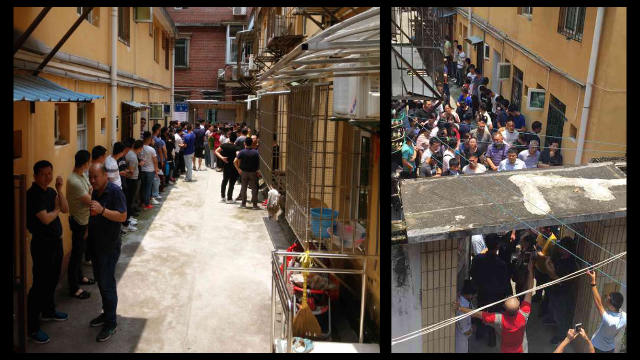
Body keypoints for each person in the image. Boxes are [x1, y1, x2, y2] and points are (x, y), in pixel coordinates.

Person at [26, 161, 69, 344]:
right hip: (42, 245)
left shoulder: (51, 192)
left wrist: (59, 189)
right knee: (40, 284)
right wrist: (57, 209)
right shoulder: (33, 194)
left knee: (53, 279)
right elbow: (45, 218)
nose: (48, 177)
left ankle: (49, 311)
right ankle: (32, 328)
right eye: (44, 174)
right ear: (35, 175)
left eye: (50, 173)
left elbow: (65, 209)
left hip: (55, 243)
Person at [461, 254, 534, 353]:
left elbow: (476, 313)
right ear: (518, 308)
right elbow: (529, 291)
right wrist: (530, 270)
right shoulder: (524, 314)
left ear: (503, 307)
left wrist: (460, 308)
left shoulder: (499, 319)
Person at [87, 163, 127, 342]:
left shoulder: (114, 192)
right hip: (97, 245)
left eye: (95, 176)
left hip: (109, 247)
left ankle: (111, 324)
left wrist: (102, 211)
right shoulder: (96, 191)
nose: (92, 180)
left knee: (107, 284)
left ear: (105, 175)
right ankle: (106, 314)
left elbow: (122, 216)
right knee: (102, 284)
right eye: (90, 176)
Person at [470, 234, 513, 348]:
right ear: (497, 246)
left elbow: (472, 274)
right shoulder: (501, 264)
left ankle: (480, 333)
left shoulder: (478, 259)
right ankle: (492, 338)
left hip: (483, 292)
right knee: (494, 315)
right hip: (496, 294)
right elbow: (505, 281)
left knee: (481, 311)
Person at [66, 151, 96, 300]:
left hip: (84, 219)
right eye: (89, 162)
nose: (90, 164)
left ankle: (80, 277)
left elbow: (91, 190)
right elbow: (89, 199)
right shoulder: (74, 181)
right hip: (78, 221)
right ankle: (74, 288)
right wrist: (90, 193)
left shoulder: (82, 175)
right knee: (76, 255)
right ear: (85, 163)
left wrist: (90, 192)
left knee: (81, 251)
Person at [586, 270, 626, 353]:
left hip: (598, 347)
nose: (605, 299)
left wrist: (593, 282)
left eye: (607, 300)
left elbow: (598, 304)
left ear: (612, 306)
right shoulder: (624, 316)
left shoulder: (608, 320)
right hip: (610, 348)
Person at [547, 237, 578, 345]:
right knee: (554, 310)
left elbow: (559, 280)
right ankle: (552, 321)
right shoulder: (560, 257)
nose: (559, 248)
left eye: (561, 247)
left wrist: (549, 269)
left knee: (561, 316)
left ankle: (561, 336)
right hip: (556, 291)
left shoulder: (570, 264)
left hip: (563, 293)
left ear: (567, 249)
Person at [234, 137, 260, 209]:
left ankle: (243, 204)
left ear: (244, 143)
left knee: (244, 188)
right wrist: (258, 171)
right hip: (253, 173)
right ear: (252, 143)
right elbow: (258, 163)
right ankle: (254, 205)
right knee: (254, 189)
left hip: (244, 173)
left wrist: (238, 169)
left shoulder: (242, 152)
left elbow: (234, 161)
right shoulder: (256, 152)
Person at [124, 140, 143, 229]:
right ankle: (128, 218)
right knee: (130, 199)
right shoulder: (132, 157)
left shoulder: (131, 154)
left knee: (130, 199)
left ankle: (129, 217)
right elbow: (131, 171)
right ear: (139, 148)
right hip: (131, 180)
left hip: (131, 179)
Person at [216, 132, 240, 202]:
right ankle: (229, 198)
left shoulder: (224, 145)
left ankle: (223, 197)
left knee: (224, 181)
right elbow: (238, 155)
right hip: (234, 167)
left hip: (226, 165)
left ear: (229, 138)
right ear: (235, 139)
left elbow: (216, 151)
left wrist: (222, 158)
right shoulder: (236, 147)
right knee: (231, 183)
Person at [455, 280, 477, 353]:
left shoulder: (463, 300)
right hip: (460, 341)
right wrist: (473, 329)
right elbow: (466, 331)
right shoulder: (462, 310)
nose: (475, 296)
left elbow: (473, 310)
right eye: (474, 295)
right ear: (470, 295)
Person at [139, 131, 159, 209]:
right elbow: (155, 160)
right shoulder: (151, 149)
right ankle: (147, 204)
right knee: (148, 188)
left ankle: (142, 203)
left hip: (142, 170)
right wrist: (156, 170)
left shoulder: (140, 147)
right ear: (150, 139)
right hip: (150, 171)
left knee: (143, 187)